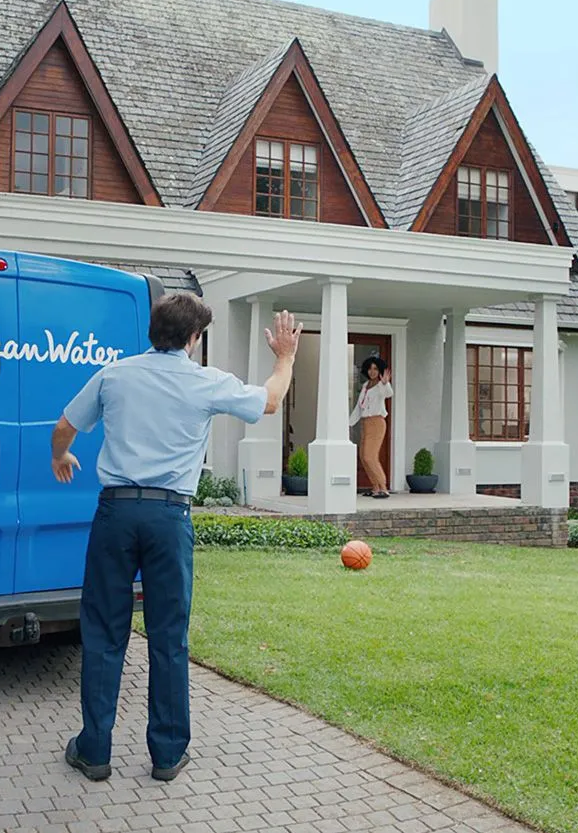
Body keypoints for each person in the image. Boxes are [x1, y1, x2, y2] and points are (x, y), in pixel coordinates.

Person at [49, 293, 302, 783]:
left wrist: (61, 457)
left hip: (116, 515)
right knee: (168, 637)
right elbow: (271, 401)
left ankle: (94, 751)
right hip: (169, 518)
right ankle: (166, 755)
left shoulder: (115, 374)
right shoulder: (205, 382)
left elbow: (64, 426)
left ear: (153, 331)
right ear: (192, 339)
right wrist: (286, 356)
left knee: (103, 633)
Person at [349, 356, 393, 499]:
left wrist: (385, 383)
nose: (372, 371)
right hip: (365, 423)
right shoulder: (365, 385)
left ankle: (383, 487)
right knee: (363, 456)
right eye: (370, 368)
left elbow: (388, 394)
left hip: (376, 423)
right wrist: (348, 424)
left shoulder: (381, 386)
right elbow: (359, 407)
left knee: (370, 456)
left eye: (375, 369)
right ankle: (375, 487)